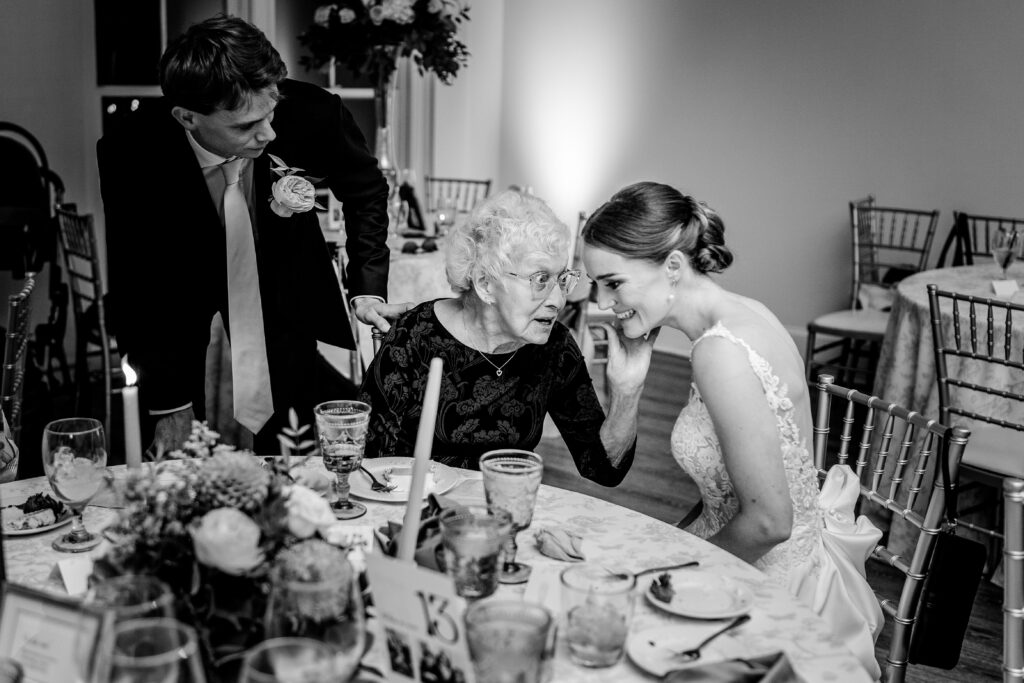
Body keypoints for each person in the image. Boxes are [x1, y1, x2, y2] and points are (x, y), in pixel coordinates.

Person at [581, 181, 883, 677]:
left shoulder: (719, 353)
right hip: (758, 547)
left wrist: (667, 574)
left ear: (673, 267)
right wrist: (627, 386)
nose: (601, 300)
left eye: (613, 283)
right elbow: (730, 489)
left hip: (768, 583)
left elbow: (769, 523)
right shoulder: (747, 313)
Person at [98, 15, 408, 455]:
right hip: (178, 294)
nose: (270, 133)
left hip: (284, 285)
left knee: (293, 430)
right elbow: (137, 281)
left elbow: (367, 191)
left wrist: (368, 288)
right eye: (245, 126)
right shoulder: (130, 152)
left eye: (271, 111)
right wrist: (170, 406)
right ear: (188, 117)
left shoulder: (311, 112)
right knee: (178, 452)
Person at [358, 190, 657, 484]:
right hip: (418, 512)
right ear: (486, 284)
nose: (558, 300)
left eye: (562, 279)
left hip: (505, 512)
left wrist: (628, 391)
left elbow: (603, 469)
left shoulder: (554, 345)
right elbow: (373, 463)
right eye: (540, 279)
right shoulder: (416, 338)